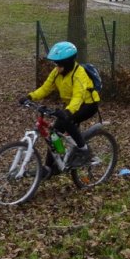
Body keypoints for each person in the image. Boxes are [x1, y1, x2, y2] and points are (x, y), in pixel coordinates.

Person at [18, 41, 100, 179]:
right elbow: (46, 88)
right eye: (56, 63)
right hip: (70, 105)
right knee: (54, 134)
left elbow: (78, 96)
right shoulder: (57, 73)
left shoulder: (79, 74)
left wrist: (68, 112)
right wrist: (30, 96)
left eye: (60, 63)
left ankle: (84, 150)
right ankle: (49, 168)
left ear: (68, 62)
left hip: (88, 104)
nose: (56, 66)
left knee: (67, 121)